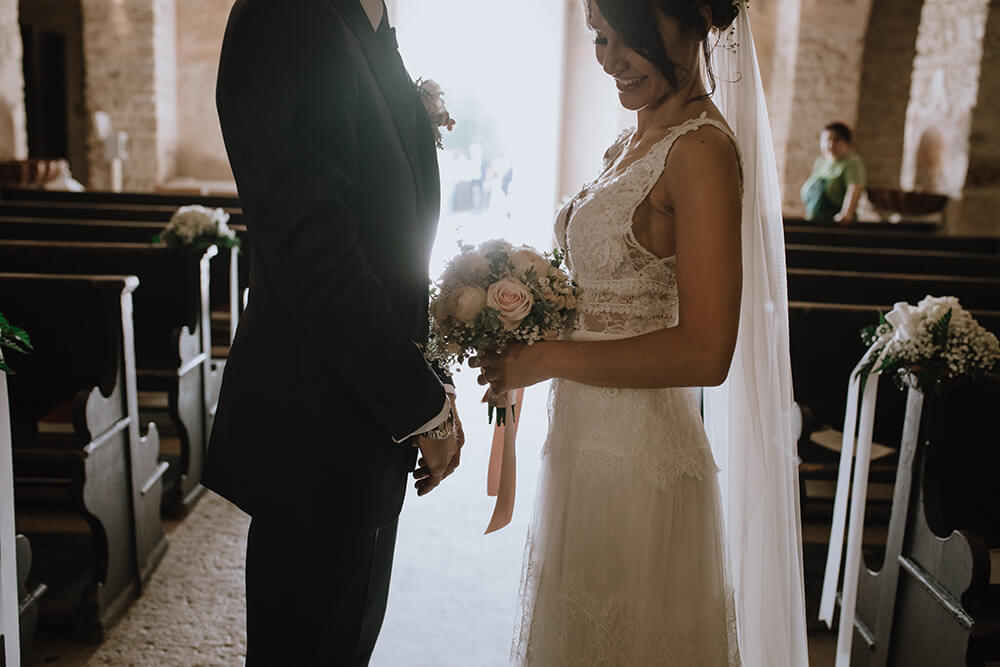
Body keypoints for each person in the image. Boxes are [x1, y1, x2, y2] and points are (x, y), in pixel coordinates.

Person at [474, 0, 809, 664]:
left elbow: (707, 350)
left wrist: (545, 359)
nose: (610, 59)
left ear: (695, 21)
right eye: (600, 36)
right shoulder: (631, 140)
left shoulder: (702, 151)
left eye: (628, 36)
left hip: (640, 459)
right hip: (585, 442)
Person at [206, 0, 464, 664]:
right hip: (315, 427)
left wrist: (426, 381)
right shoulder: (286, 17)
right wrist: (421, 408)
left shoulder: (358, 19)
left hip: (360, 425)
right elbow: (314, 252)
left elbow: (386, 231)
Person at [801, 122, 867, 223]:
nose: (830, 145)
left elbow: (854, 188)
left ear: (847, 142)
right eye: (827, 140)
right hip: (813, 221)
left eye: (836, 140)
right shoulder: (820, 163)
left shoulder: (852, 162)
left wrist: (846, 214)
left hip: (835, 224)